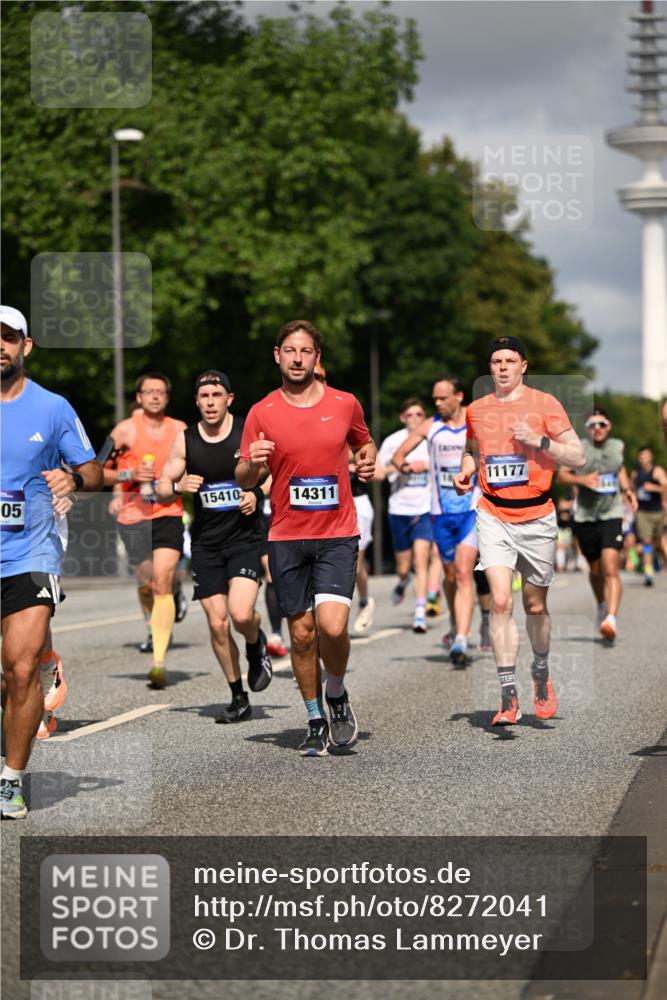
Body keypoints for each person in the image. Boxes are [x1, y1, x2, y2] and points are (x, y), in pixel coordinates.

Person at [236, 319, 376, 757]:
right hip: (286, 535)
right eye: (289, 351)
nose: (297, 358)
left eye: (306, 351)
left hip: (337, 532)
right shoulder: (262, 412)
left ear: (317, 358)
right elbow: (242, 474)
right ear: (277, 356)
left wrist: (367, 463)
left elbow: (363, 445)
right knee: (300, 634)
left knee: (332, 626)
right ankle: (315, 716)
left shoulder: (345, 403)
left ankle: (336, 692)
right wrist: (253, 464)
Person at [0, 305, 102, 819]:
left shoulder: (52, 407)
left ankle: (11, 779)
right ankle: (45, 662)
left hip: (31, 552)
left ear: (26, 346)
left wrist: (74, 480)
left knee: (18, 671)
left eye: (8, 338)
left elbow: (93, 469)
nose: (0, 347)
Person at [455, 335, 585, 725]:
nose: (503, 367)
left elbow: (577, 455)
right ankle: (508, 693)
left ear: (524, 365)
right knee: (499, 601)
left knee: (534, 605)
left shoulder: (545, 404)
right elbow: (472, 450)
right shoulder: (477, 410)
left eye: (510, 360)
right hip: (493, 513)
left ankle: (541, 672)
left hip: (538, 515)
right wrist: (465, 468)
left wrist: (541, 441)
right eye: (496, 361)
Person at [157, 370, 273, 721]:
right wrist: (178, 488)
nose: (210, 402)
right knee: (218, 624)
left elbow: (274, 476)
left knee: (240, 615)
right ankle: (238, 697)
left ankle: (256, 644)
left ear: (229, 399)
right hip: (206, 544)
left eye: (216, 396)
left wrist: (255, 493)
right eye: (204, 397)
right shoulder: (185, 440)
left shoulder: (247, 432)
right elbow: (162, 485)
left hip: (244, 538)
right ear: (197, 402)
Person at [106, 373, 187, 688]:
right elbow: (96, 469)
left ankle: (158, 660)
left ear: (167, 397)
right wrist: (128, 474)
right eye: (148, 392)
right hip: (133, 514)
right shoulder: (124, 430)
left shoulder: (180, 430)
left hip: (168, 510)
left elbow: (198, 463)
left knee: (162, 581)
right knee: (147, 583)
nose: (155, 397)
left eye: (160, 392)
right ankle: (155, 620)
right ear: (138, 397)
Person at [393, 376, 479, 666]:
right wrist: (407, 465)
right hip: (440, 512)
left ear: (459, 395)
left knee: (465, 573)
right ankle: (456, 623)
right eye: (435, 399)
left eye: (443, 398)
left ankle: (461, 640)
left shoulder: (476, 418)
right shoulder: (431, 426)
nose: (438, 404)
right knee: (451, 575)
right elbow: (397, 456)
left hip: (471, 510)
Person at [558, 407, 636, 641]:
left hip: (611, 514)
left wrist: (628, 490)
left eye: (602, 424)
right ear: (587, 428)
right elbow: (561, 476)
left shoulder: (617, 447)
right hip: (584, 516)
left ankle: (611, 618)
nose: (598, 429)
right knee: (595, 570)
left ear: (609, 426)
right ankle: (602, 603)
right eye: (593, 425)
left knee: (611, 567)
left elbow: (619, 467)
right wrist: (582, 479)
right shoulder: (578, 447)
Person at [376, 398, 433, 633]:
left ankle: (420, 613)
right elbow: (378, 474)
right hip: (399, 509)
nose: (415, 418)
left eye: (420, 414)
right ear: (403, 417)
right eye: (411, 415)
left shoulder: (431, 439)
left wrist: (427, 466)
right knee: (403, 567)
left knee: (421, 561)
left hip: (425, 507)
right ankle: (402, 581)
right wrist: (403, 467)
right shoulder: (393, 442)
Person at [632, 445, 667, 586]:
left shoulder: (657, 471)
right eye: (641, 456)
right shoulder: (636, 473)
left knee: (658, 543)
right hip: (642, 513)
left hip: (657, 512)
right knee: (646, 541)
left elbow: (665, 487)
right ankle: (648, 573)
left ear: (650, 457)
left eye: (645, 455)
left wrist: (654, 488)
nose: (643, 458)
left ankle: (663, 560)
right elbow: (631, 489)